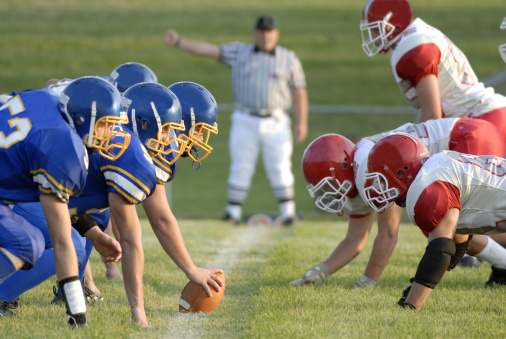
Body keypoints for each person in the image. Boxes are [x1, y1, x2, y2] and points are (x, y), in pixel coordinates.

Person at [290, 116, 506, 288]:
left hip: (468, 137)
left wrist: (366, 284)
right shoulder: (359, 174)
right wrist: (318, 272)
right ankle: (502, 263)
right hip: (467, 136)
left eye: (328, 185)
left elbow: (388, 233)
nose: (329, 193)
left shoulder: (370, 172)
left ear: (344, 167)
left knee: (446, 225)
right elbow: (354, 241)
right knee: (450, 225)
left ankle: (502, 263)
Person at [0, 77, 124, 327]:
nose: (110, 134)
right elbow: (62, 240)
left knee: (33, 242)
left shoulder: (48, 100)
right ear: (80, 119)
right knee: (22, 244)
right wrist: (77, 314)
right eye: (104, 125)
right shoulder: (62, 145)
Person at [164, 14, 309, 225]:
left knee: (280, 165)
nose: (265, 36)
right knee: (241, 165)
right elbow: (210, 50)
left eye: (269, 32)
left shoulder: (288, 58)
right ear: (255, 33)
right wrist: (179, 42)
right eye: (261, 31)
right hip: (245, 117)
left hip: (276, 119)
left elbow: (299, 90)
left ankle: (288, 212)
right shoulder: (240, 52)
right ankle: (232, 212)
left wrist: (302, 121)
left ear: (276, 34)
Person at [363, 133, 506, 309]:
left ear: (401, 171)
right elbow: (457, 244)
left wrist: (410, 305)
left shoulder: (426, 184)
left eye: (381, 179)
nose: (380, 187)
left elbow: (441, 249)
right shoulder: (436, 167)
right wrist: (418, 287)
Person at [360, 0, 506, 139]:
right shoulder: (416, 36)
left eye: (374, 29)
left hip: (480, 121)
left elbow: (431, 115)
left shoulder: (411, 46)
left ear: (395, 25)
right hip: (486, 118)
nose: (373, 36)